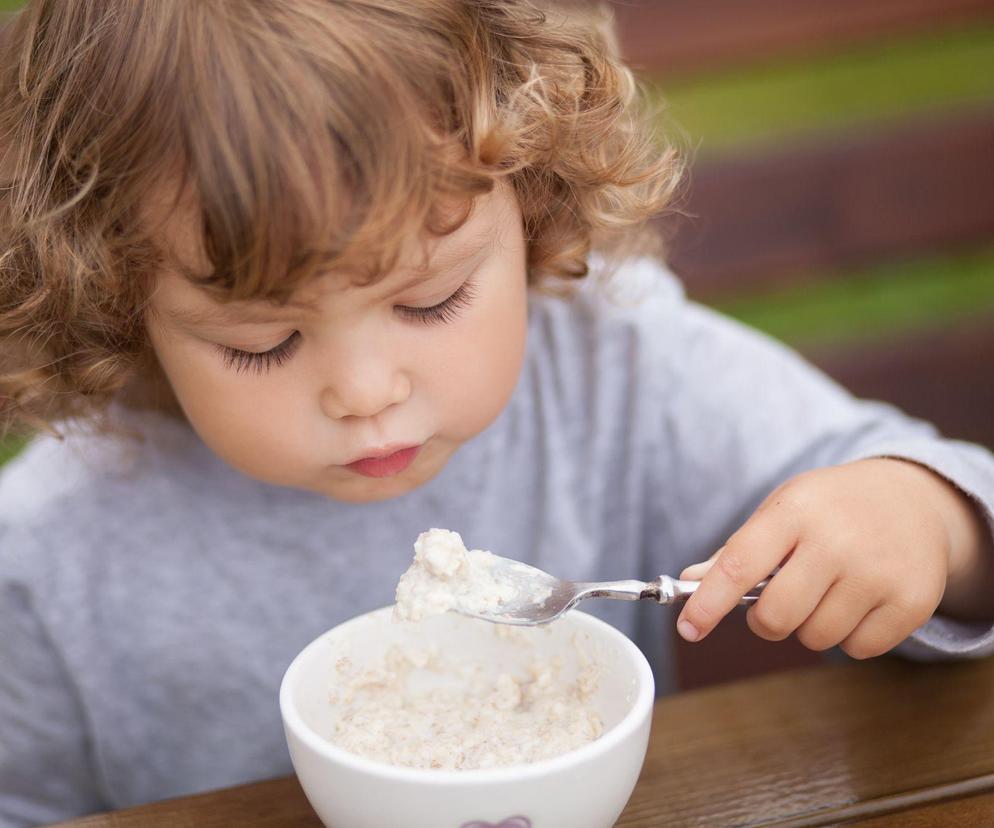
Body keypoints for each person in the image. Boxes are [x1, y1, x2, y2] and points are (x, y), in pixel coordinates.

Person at [1, 1, 992, 824]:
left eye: (428, 300)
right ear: (116, 301)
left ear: (530, 203)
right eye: (263, 342)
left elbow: (946, 498)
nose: (366, 390)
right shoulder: (48, 559)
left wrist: (923, 520)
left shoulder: (611, 367)